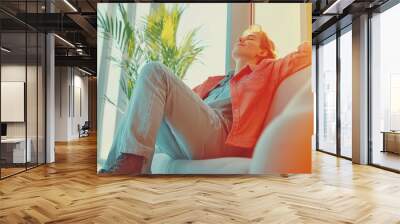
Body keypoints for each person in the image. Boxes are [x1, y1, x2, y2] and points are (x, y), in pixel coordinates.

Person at [99, 24, 312, 175]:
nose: (241, 39)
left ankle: (132, 163)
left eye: (251, 38)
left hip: (223, 136)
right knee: (144, 96)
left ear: (263, 51)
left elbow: (305, 55)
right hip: (195, 136)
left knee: (154, 70)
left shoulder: (269, 68)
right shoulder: (215, 81)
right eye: (241, 36)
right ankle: (112, 170)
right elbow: (167, 97)